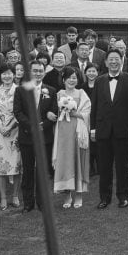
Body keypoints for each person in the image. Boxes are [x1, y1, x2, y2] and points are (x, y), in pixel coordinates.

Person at [92, 50, 128, 209]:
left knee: (122, 165)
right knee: (104, 167)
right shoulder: (99, 81)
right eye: (111, 59)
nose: (114, 62)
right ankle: (104, 198)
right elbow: (95, 106)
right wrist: (93, 129)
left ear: (122, 61)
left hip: (122, 129)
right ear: (105, 62)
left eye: (117, 59)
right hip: (103, 129)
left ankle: (123, 196)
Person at [13, 60, 59, 213]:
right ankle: (28, 203)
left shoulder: (51, 91)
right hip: (27, 137)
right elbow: (18, 112)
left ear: (44, 72)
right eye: (35, 70)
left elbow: (53, 113)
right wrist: (32, 126)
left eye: (41, 71)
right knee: (27, 171)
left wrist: (42, 126)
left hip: (45, 137)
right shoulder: (20, 90)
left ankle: (42, 202)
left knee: (42, 171)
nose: (38, 73)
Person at [52, 66, 92, 208]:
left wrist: (76, 113)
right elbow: (53, 111)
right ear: (63, 79)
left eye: (74, 77)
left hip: (77, 132)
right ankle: (67, 194)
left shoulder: (82, 93)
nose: (71, 80)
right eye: (69, 77)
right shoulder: (58, 94)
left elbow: (87, 112)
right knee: (65, 161)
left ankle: (79, 194)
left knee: (78, 160)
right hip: (63, 133)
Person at [0, 62, 22, 211]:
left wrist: (10, 126)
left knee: (17, 165)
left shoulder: (19, 90)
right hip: (0, 132)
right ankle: (2, 197)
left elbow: (21, 111)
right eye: (4, 73)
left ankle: (15, 195)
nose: (7, 76)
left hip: (16, 131)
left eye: (9, 73)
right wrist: (1, 126)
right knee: (0, 166)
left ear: (14, 74)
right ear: (0, 75)